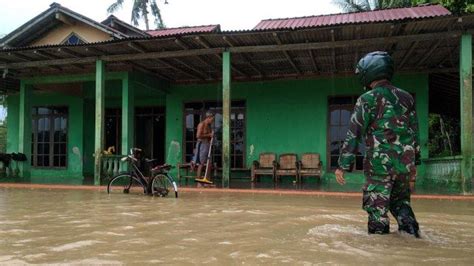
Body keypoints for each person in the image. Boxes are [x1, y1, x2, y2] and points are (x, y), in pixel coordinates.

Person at [335, 51, 421, 238]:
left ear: (370, 72)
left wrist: (342, 165)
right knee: (401, 204)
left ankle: (380, 252)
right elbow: (415, 133)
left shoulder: (367, 99)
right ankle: (414, 238)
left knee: (377, 210)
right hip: (405, 165)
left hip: (379, 167)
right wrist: (415, 165)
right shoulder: (407, 98)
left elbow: (353, 134)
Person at [192, 111, 215, 181]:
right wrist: (209, 135)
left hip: (208, 145)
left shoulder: (209, 126)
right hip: (201, 145)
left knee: (209, 163)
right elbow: (198, 136)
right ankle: (199, 180)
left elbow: (210, 136)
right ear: (208, 118)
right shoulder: (201, 124)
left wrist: (211, 137)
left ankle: (207, 180)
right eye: (212, 119)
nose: (212, 121)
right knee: (201, 163)